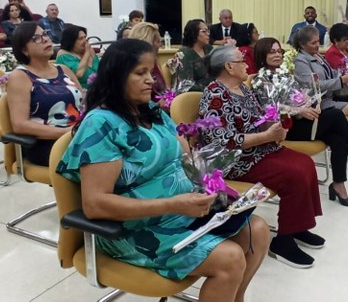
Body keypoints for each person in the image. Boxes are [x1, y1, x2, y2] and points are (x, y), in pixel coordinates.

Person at [57, 39, 269, 300]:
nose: (150, 80)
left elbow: (185, 158)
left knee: (257, 232)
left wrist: (214, 187)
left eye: (150, 71)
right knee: (230, 259)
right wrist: (174, 205)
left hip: (180, 212)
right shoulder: (101, 125)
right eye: (140, 73)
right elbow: (95, 205)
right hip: (133, 229)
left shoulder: (151, 112)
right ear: (116, 76)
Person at [200, 45, 324, 269]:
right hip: (236, 161)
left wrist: (275, 126)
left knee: (305, 163)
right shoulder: (215, 95)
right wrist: (266, 136)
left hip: (260, 150)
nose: (247, 64)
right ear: (229, 67)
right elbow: (222, 141)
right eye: (242, 61)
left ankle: (296, 227)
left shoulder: (242, 89)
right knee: (293, 174)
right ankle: (283, 243)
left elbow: (257, 120)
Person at [254, 38, 348, 207]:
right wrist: (298, 110)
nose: (277, 54)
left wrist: (309, 102)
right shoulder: (260, 80)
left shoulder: (284, 74)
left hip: (302, 120)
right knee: (336, 115)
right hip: (284, 128)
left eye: (279, 51)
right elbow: (268, 111)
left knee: (338, 139)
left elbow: (299, 95)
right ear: (262, 56)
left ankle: (339, 185)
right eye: (272, 52)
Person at [7, 22, 83, 166]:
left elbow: (84, 101)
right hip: (46, 142)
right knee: (102, 157)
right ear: (24, 50)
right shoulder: (21, 77)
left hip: (77, 134)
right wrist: (67, 132)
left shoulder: (63, 70)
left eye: (45, 35)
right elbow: (19, 125)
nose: (46, 39)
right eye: (36, 38)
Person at [292, 25, 348, 141]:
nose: (317, 45)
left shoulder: (318, 56)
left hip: (331, 97)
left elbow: (333, 73)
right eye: (313, 43)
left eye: (318, 41)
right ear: (302, 44)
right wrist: (341, 81)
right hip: (319, 103)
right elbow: (312, 85)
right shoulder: (300, 60)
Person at [128, 21, 168, 97]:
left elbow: (164, 90)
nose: (160, 45)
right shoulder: (130, 64)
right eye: (158, 41)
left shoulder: (155, 61)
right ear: (149, 42)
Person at [180, 19, 214, 91]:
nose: (208, 34)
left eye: (208, 31)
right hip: (195, 94)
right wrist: (209, 90)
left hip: (214, 91)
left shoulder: (209, 49)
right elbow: (185, 85)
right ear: (194, 33)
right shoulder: (184, 54)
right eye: (204, 31)